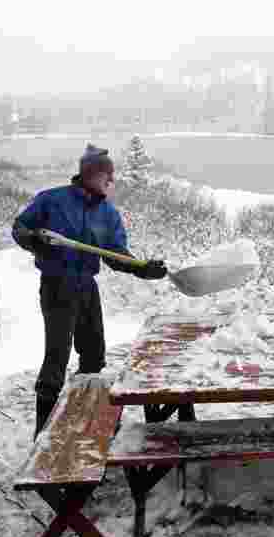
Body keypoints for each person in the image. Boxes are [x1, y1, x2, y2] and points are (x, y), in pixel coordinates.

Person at [12, 143, 167, 439]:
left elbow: (116, 255)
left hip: (86, 286)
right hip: (57, 285)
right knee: (57, 357)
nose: (111, 181)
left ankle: (83, 413)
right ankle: (43, 432)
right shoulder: (52, 200)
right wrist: (34, 240)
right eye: (107, 175)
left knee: (94, 355)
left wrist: (143, 268)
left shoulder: (107, 213)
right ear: (90, 174)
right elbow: (20, 227)